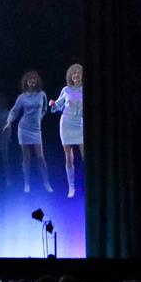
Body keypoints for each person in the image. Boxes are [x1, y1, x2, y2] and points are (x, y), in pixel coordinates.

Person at [3, 70, 53, 194]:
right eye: (29, 80)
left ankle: (46, 183)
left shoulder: (42, 94)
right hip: (23, 128)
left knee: (40, 157)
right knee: (26, 158)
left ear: (37, 82)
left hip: (36, 129)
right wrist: (9, 123)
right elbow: (14, 111)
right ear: (26, 82)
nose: (32, 82)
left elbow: (45, 109)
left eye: (34, 80)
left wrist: (39, 118)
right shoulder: (22, 97)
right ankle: (27, 184)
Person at [50, 63, 84, 198]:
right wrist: (53, 104)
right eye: (73, 73)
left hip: (80, 123)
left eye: (78, 73)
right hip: (66, 123)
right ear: (70, 76)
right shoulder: (66, 90)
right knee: (68, 157)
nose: (76, 75)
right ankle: (71, 187)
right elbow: (58, 104)